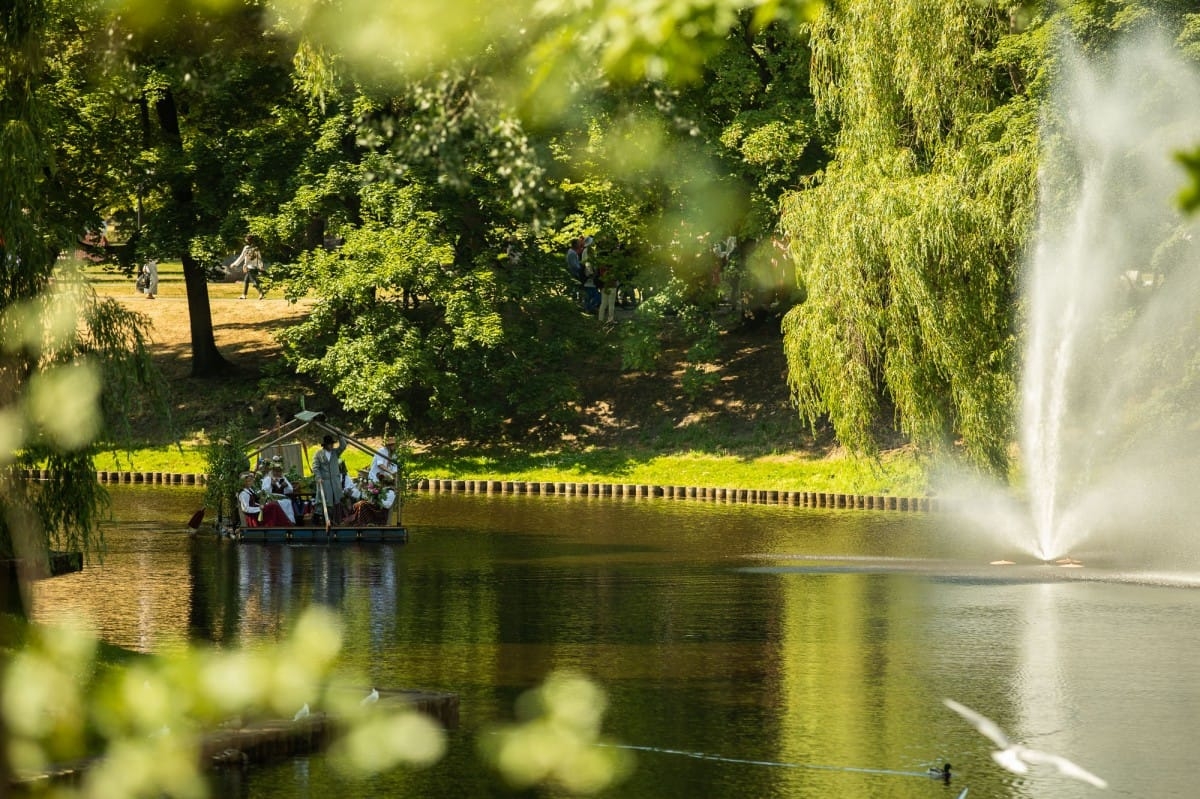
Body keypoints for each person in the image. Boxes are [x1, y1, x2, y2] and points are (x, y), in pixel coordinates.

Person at [311, 432, 347, 523]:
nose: (331, 446)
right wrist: (318, 477)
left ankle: (337, 520)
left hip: (335, 481)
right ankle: (324, 521)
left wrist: (340, 435)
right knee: (326, 502)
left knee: (337, 501)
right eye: (329, 444)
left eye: (332, 444)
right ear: (325, 445)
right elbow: (315, 467)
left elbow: (343, 446)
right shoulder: (318, 454)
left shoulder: (335, 452)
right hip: (325, 482)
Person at [231, 235, 266, 300]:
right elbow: (259, 258)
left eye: (246, 240)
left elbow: (241, 257)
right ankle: (244, 295)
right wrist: (261, 266)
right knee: (246, 280)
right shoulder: (256, 248)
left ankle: (261, 293)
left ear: (248, 241)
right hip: (255, 267)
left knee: (254, 281)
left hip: (249, 267)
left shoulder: (246, 248)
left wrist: (235, 264)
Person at [581, 236, 600, 313]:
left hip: (590, 274)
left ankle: (588, 308)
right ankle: (589, 308)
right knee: (592, 294)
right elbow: (587, 263)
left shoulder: (589, 251)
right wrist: (591, 273)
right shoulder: (587, 251)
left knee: (590, 293)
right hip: (589, 275)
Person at [565, 237, 585, 305]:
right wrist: (581, 267)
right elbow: (574, 265)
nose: (580, 244)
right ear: (575, 244)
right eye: (578, 243)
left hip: (574, 272)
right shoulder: (572, 253)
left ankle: (577, 301)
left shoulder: (573, 252)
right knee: (576, 287)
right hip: (574, 273)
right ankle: (575, 302)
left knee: (576, 287)